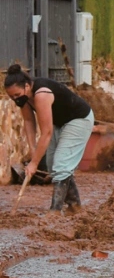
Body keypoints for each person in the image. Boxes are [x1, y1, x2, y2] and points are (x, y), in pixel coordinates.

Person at [4, 65, 94, 211]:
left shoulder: (42, 94)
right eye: (11, 97)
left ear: (27, 86)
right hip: (59, 122)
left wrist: (34, 164)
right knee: (53, 166)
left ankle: (55, 211)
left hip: (79, 120)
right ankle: (74, 205)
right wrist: (33, 150)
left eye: (17, 95)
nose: (15, 99)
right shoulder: (24, 97)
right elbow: (28, 121)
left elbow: (46, 133)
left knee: (61, 165)